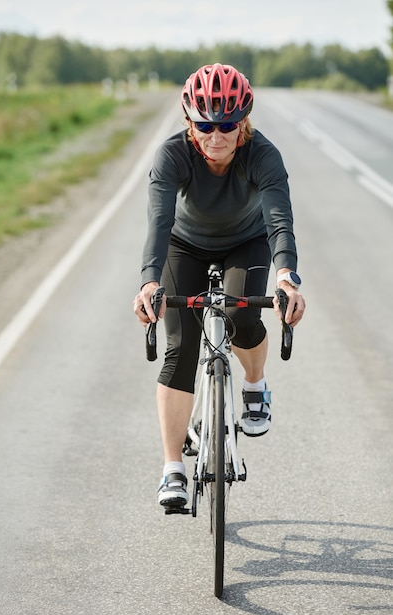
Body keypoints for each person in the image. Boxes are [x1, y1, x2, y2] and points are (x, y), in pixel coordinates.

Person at [133, 63, 305, 510]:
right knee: (180, 348)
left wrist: (287, 276)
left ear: (243, 121)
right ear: (190, 122)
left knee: (243, 317)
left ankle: (254, 383)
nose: (217, 135)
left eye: (228, 124)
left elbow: (279, 221)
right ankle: (173, 469)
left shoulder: (263, 155)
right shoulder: (172, 155)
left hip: (245, 244)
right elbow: (158, 221)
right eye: (206, 124)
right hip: (183, 246)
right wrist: (149, 282)